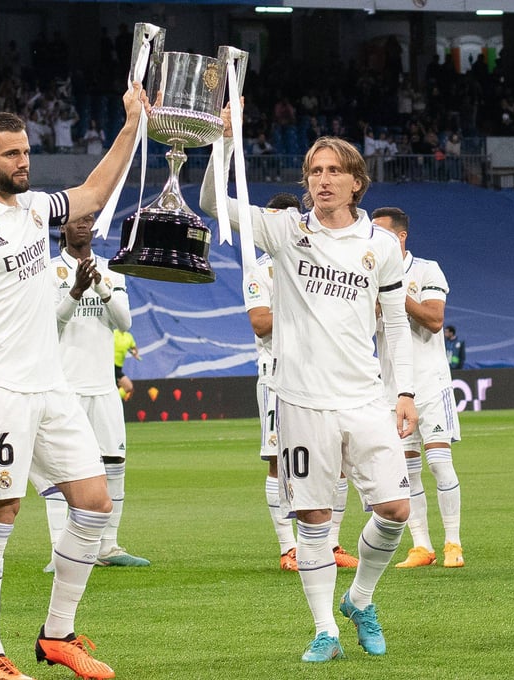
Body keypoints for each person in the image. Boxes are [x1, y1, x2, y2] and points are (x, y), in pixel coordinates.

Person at [0, 82, 146, 680]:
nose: (24, 162)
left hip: (52, 388)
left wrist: (132, 124)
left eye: (26, 152)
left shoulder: (31, 208)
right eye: (12, 154)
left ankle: (56, 636)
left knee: (94, 505)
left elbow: (94, 192)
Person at [202, 119, 418, 662]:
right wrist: (223, 141)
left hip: (365, 397)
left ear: (356, 182)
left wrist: (406, 393)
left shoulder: (381, 245)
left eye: (334, 171)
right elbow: (210, 202)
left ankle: (359, 599)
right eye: (315, 171)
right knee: (315, 519)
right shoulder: (285, 230)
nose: (323, 180)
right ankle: (325, 631)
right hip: (300, 399)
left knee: (395, 510)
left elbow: (396, 324)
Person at [246, 192, 358, 573]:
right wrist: (305, 310)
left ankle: (332, 543)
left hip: (321, 371)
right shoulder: (260, 270)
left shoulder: (315, 262)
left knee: (336, 457)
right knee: (278, 461)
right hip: (278, 373)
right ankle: (288, 547)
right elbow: (260, 322)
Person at [32, 212, 150, 573]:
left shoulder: (112, 270)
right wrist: (75, 291)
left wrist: (99, 285)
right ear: (63, 228)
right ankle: (60, 551)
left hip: (103, 389)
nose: (83, 224)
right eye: (76, 220)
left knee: (114, 465)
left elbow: (124, 322)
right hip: (65, 388)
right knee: (61, 471)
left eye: (88, 219)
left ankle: (107, 546)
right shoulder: (48, 271)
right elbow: (48, 326)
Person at [370, 207, 464, 570]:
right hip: (393, 390)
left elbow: (435, 319)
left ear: (401, 236)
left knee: (439, 463)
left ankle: (453, 542)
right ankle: (421, 545)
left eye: (381, 233)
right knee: (407, 471)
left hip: (430, 384)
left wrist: (393, 295)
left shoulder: (426, 270)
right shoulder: (367, 277)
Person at [113, 328, 140, 400]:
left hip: (119, 367)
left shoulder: (129, 336)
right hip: (110, 365)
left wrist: (135, 353)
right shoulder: (113, 333)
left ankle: (113, 401)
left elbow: (134, 348)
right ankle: (113, 400)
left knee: (125, 387)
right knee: (128, 386)